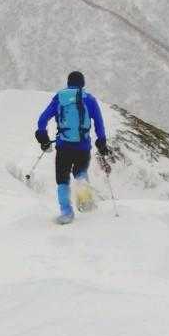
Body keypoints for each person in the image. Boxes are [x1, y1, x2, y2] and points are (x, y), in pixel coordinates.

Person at [35, 70, 109, 224]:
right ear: (82, 84)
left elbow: (42, 120)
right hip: (83, 146)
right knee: (80, 172)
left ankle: (66, 212)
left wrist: (43, 137)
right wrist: (101, 142)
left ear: (68, 83)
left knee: (62, 179)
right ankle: (85, 198)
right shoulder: (89, 99)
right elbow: (99, 123)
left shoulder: (60, 98)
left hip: (63, 146)